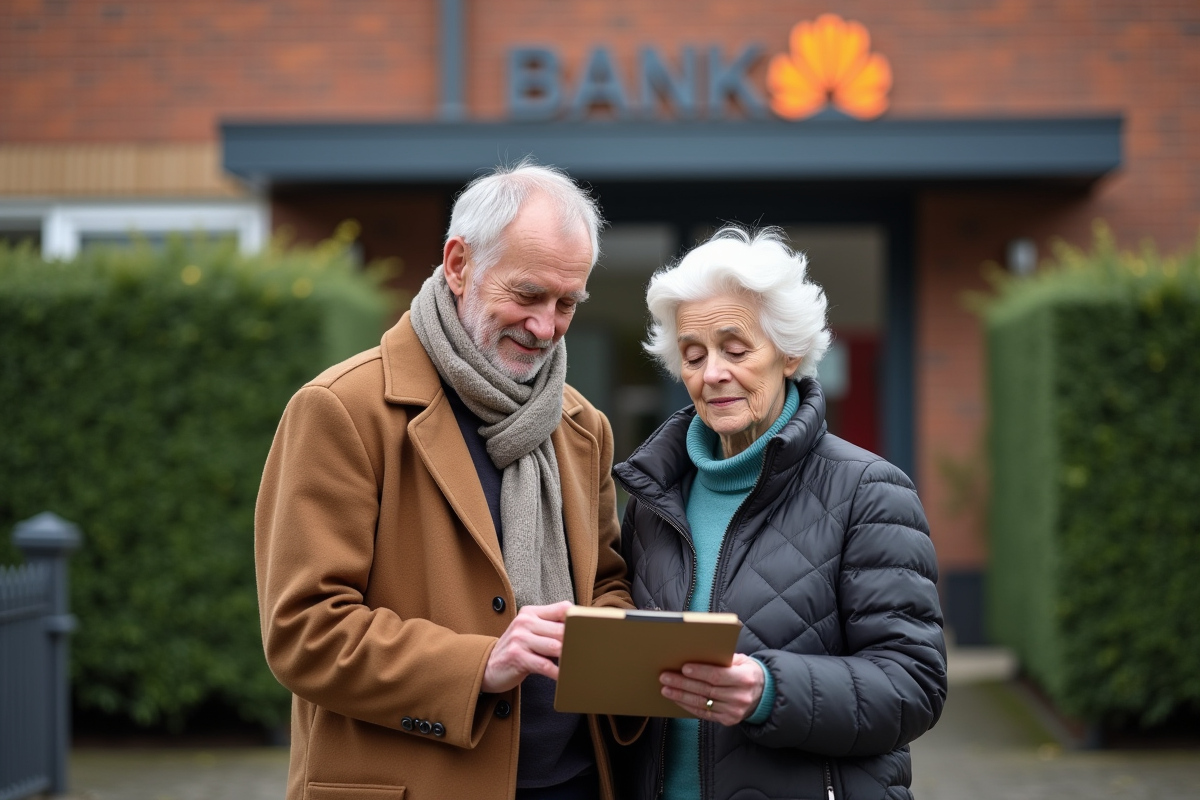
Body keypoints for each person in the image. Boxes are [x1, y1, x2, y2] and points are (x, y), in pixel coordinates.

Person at [255, 162, 633, 800]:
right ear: (459, 264)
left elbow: (606, 583)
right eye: (527, 295)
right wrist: (481, 664)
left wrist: (627, 646)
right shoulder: (341, 409)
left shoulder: (582, 426)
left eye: (566, 302)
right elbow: (305, 631)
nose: (546, 326)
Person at [612, 227, 947, 800]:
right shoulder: (652, 498)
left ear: (789, 352)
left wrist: (769, 690)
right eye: (693, 355)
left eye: (735, 350)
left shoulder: (870, 491)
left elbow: (913, 685)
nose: (712, 372)